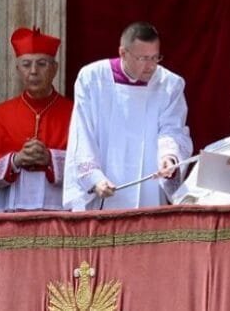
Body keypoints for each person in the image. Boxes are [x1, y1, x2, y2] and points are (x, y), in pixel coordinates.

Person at [63, 22, 193, 211]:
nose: (151, 66)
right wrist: (94, 178)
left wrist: (169, 158)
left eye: (156, 57)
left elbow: (172, 129)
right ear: (123, 53)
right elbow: (82, 132)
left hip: (148, 186)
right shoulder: (92, 78)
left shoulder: (170, 84)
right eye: (143, 58)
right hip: (104, 185)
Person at [0, 27, 73, 212]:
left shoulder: (75, 113)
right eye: (26, 64)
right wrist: (15, 161)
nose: (33, 71)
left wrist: (50, 158)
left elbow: (89, 169)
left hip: (61, 212)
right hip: (9, 212)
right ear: (18, 69)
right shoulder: (0, 115)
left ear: (54, 69)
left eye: (42, 64)